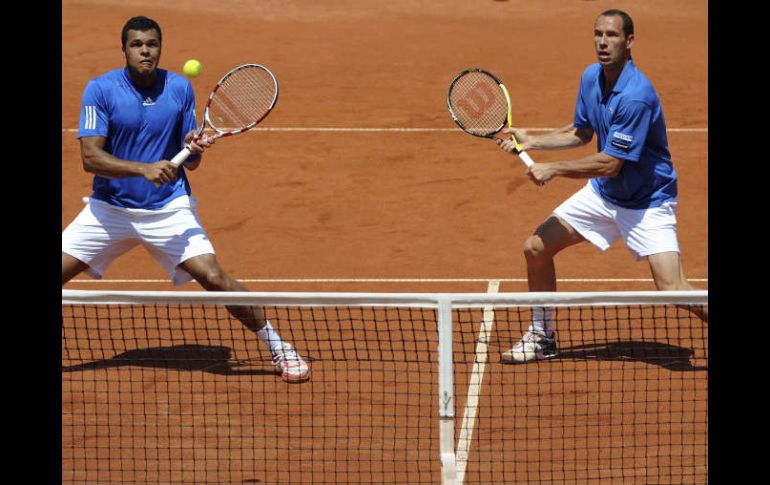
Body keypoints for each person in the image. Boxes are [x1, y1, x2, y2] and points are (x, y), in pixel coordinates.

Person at [61, 16, 309, 383]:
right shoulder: (100, 89)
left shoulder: (179, 88)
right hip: (109, 210)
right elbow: (90, 158)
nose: (145, 50)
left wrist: (193, 148)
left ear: (160, 47)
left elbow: (189, 160)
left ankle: (279, 346)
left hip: (167, 208)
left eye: (152, 44)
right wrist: (142, 169)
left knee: (213, 276)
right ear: (125, 49)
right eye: (137, 44)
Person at [496, 9, 707, 364]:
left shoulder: (636, 95)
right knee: (536, 248)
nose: (602, 42)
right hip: (606, 195)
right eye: (598, 34)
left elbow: (610, 164)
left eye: (611, 35)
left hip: (647, 202)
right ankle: (542, 336)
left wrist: (554, 170)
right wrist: (533, 139)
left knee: (673, 289)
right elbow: (581, 132)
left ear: (629, 42)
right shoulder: (591, 77)